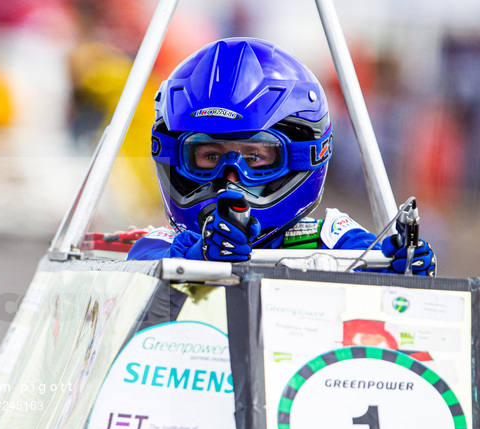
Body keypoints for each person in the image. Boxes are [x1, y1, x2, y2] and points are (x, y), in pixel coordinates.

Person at [126, 38, 436, 276]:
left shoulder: (329, 239)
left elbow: (374, 258)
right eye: (209, 156)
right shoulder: (160, 246)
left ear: (303, 157)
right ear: (175, 159)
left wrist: (399, 266)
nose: (230, 178)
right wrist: (201, 257)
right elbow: (144, 270)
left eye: (255, 156)